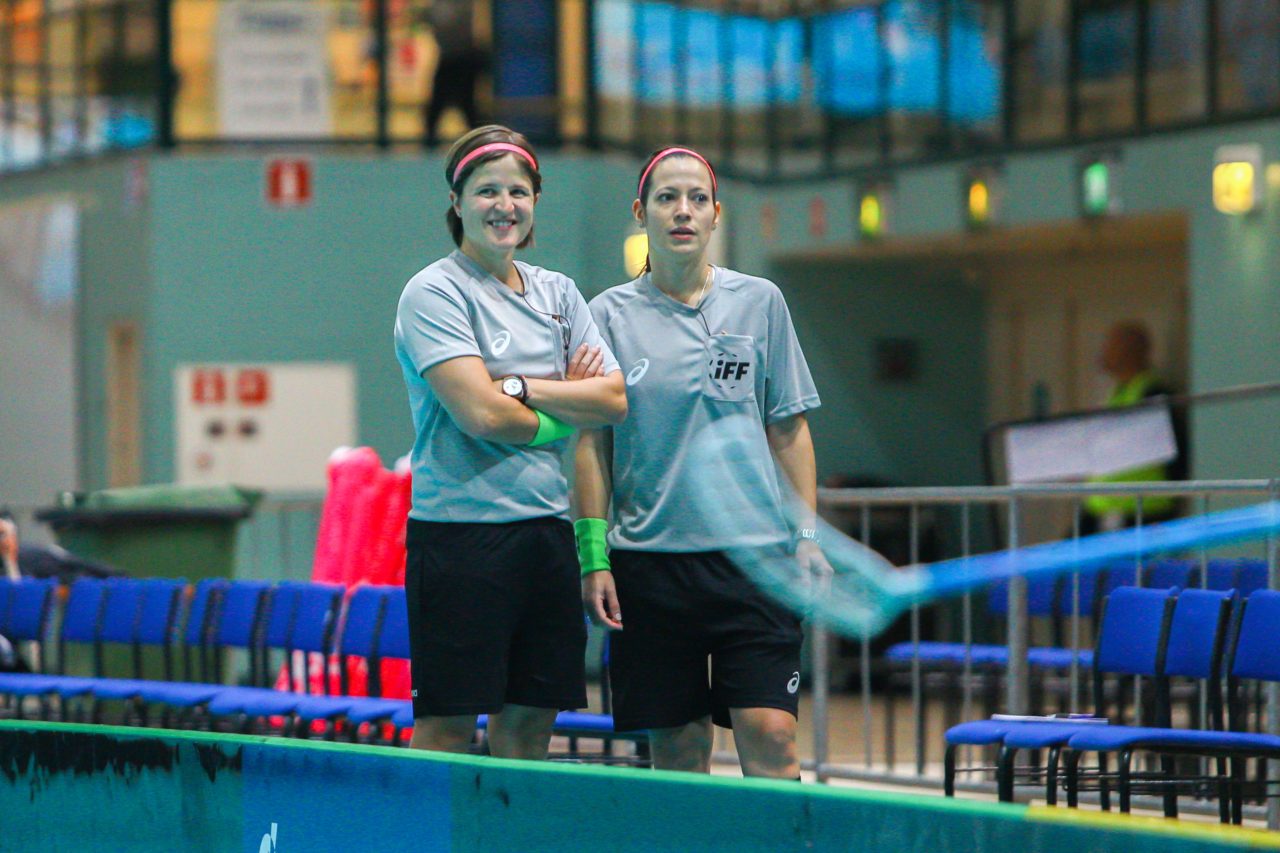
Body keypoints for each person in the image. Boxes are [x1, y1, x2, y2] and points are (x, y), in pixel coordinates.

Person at [575, 146, 823, 779]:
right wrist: (595, 555)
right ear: (641, 212)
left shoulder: (761, 303)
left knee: (770, 734)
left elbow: (788, 429)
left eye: (696, 199)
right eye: (666, 198)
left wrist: (808, 538)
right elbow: (592, 446)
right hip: (652, 570)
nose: (682, 211)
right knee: (678, 752)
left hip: (755, 561)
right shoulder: (602, 316)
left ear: (716, 215)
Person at [393, 124, 627, 759]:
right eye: (488, 190)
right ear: (457, 200)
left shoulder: (559, 293)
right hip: (461, 537)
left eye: (518, 191)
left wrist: (519, 386)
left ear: (535, 201)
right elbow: (481, 416)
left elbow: (612, 399)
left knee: (529, 723)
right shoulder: (435, 292)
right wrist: (562, 406)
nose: (505, 205)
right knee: (446, 726)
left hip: (547, 537)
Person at [1081, 320, 1181, 533]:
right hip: (1107, 507)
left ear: (1129, 350)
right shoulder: (1118, 392)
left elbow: (1177, 454)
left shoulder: (1152, 393)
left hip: (1141, 510)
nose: (1104, 351)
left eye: (1111, 344)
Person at [421, 0, 488, 146]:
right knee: (437, 107)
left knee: (466, 105)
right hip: (449, 58)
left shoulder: (461, 5)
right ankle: (430, 141)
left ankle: (483, 142)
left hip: (462, 59)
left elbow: (447, 23)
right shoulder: (441, 5)